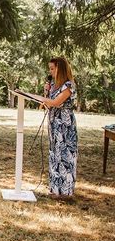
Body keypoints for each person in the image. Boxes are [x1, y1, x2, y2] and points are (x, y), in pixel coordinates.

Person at [43, 57, 78, 200]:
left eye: (52, 68)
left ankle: (65, 192)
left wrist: (42, 99)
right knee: (55, 154)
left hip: (65, 125)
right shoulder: (54, 84)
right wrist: (46, 92)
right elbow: (48, 103)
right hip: (54, 123)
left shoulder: (68, 85)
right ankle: (55, 190)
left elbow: (56, 102)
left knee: (65, 155)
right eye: (50, 69)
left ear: (60, 69)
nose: (50, 72)